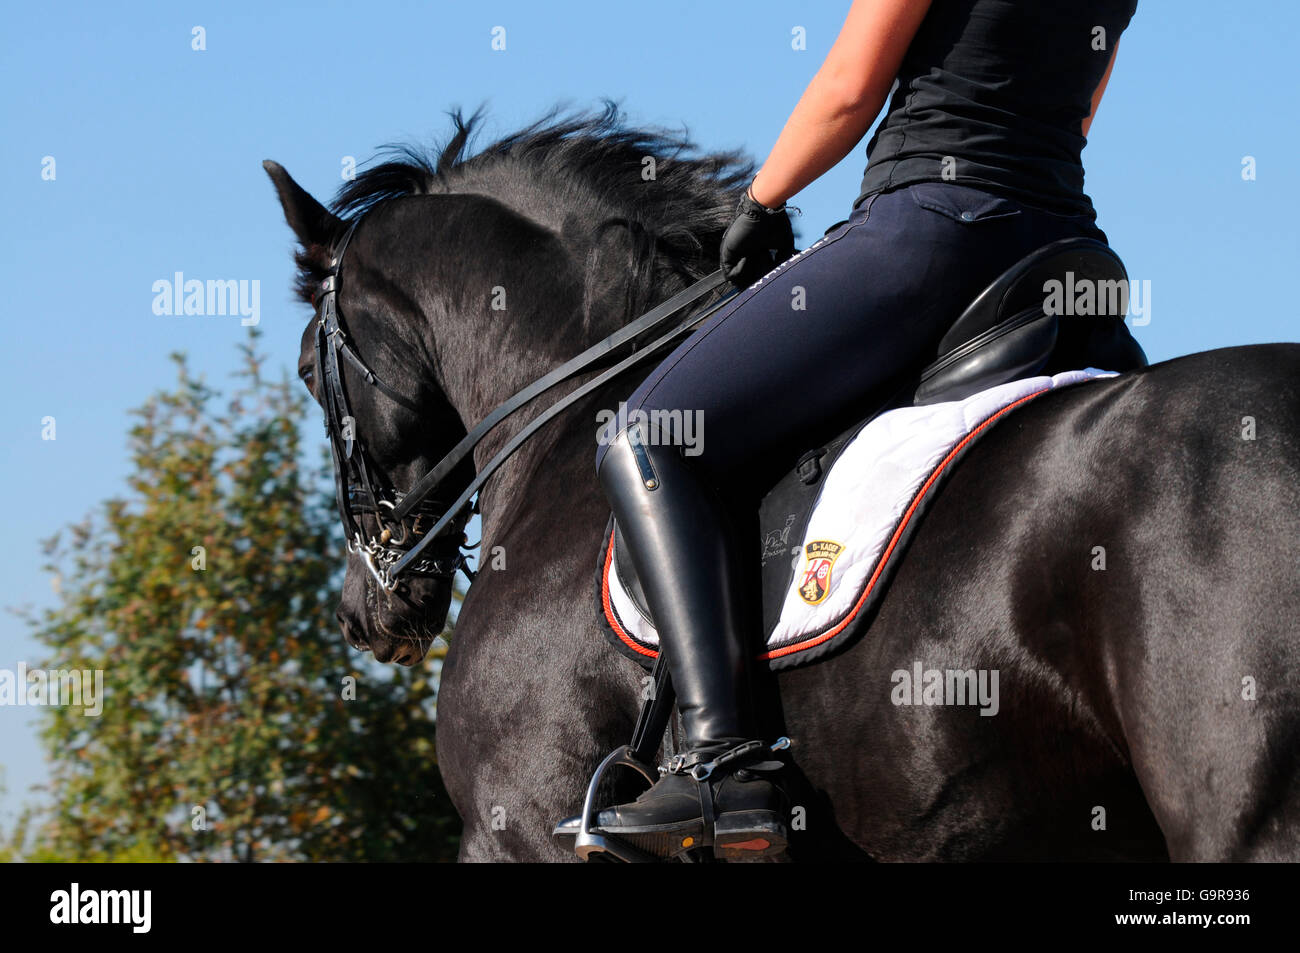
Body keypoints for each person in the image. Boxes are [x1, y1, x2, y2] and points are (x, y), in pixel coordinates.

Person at [591, 0, 1138, 859]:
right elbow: (1081, 109)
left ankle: (721, 766)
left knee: (650, 436)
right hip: (1065, 256)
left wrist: (763, 202)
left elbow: (848, 87)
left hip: (929, 230)